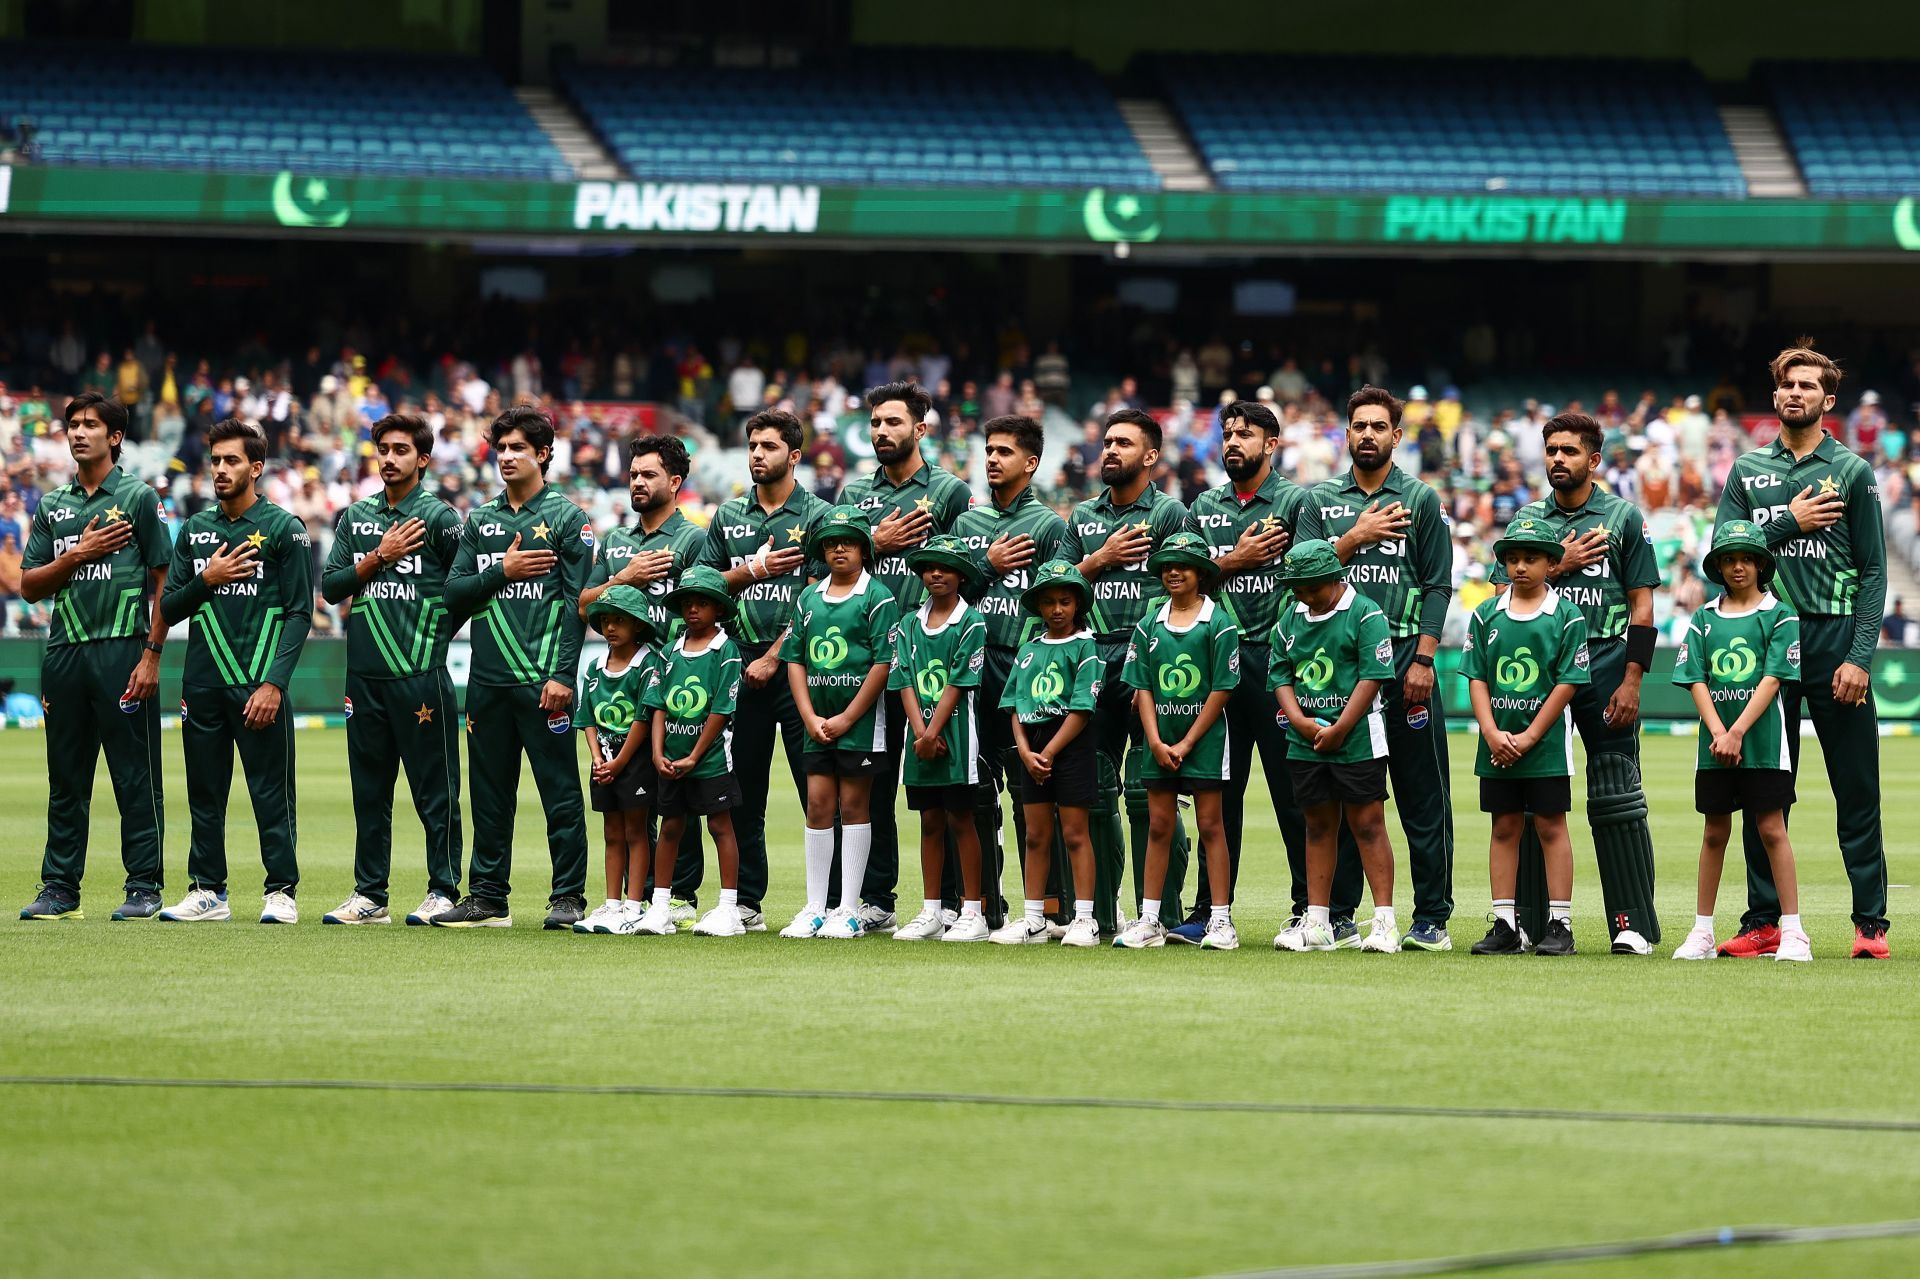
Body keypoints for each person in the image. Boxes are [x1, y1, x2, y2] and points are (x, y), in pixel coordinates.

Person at [1714, 339, 1889, 959]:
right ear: (1775, 394)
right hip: (1767, 638)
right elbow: (1720, 555)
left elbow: (1873, 571)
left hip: (1834, 638)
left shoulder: (1852, 472)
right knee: (1764, 789)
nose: (1796, 393)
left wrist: (1860, 655)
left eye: (1808, 386)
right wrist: (1787, 520)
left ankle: (1870, 925)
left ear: (1828, 400)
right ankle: (1764, 921)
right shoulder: (1746, 471)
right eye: (1788, 384)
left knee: (1856, 788)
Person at [1495, 413, 1663, 955]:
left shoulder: (1621, 517)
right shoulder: (1528, 518)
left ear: (1593, 460)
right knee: (1525, 798)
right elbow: (1504, 590)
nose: (1557, 459)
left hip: (1607, 663)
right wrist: (1559, 563)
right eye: (1551, 450)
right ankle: (1525, 923)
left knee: (1616, 793)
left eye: (1569, 451)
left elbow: (1642, 601)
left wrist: (1634, 679)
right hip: (1536, 675)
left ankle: (1630, 924)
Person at [437, 405, 594, 930]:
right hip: (487, 682)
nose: (505, 457)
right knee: (488, 793)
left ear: (543, 454)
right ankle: (487, 899)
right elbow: (453, 592)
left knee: (560, 791)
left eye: (517, 448)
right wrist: (501, 570)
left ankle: (568, 897)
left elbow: (579, 606)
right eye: (500, 448)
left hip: (543, 679)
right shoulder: (481, 520)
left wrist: (564, 676)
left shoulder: (569, 519)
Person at [17, 392, 171, 922]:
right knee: (66, 779)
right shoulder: (53, 504)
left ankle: (145, 886)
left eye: (90, 425)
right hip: (63, 654)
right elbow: (29, 586)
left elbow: (164, 580)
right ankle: (60, 890)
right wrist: (78, 553)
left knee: (135, 776)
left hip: (121, 650)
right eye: (73, 424)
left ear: (115, 437)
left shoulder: (137, 498)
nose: (78, 432)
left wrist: (151, 655)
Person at [1314, 386, 1456, 951]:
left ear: (1398, 435)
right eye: (1358, 426)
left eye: (1379, 426)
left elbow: (1438, 584)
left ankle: (1432, 918)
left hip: (1403, 660)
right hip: (1338, 666)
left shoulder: (1420, 499)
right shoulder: (1318, 500)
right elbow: (1304, 576)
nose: (1368, 434)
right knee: (1348, 795)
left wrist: (1424, 658)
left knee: (1422, 796)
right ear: (1346, 434)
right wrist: (1354, 537)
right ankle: (1342, 914)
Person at [156, 419, 312, 923]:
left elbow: (299, 612)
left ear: (256, 467)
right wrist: (208, 578)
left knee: (270, 792)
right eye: (216, 460)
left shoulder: (285, 529)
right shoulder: (195, 530)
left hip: (258, 683)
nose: (220, 470)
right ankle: (208, 892)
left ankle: (280, 892)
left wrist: (274, 683)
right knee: (204, 790)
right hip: (202, 682)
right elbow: (172, 606)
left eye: (231, 461)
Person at [1180, 399, 1319, 943]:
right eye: (1228, 433)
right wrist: (1234, 560)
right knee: (1217, 794)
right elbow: (1183, 579)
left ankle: (1311, 908)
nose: (1233, 442)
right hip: (1217, 661)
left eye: (1246, 434)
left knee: (1294, 794)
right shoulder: (1202, 507)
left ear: (1272, 444)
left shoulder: (1295, 502)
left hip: (1277, 660)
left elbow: (1311, 575)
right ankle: (1208, 911)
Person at [318, 414, 465, 927]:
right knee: (369, 792)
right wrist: (378, 557)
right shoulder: (355, 516)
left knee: (435, 790)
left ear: (422, 460)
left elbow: (464, 588)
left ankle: (444, 890)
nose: (388, 458)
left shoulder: (441, 519)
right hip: (364, 675)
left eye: (401, 449)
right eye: (382, 448)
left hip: (419, 673)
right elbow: (332, 586)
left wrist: (434, 634)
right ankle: (370, 895)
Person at [837, 380, 973, 928]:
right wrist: (877, 543)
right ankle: (877, 902)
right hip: (863, 662)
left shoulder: (950, 493)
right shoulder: (850, 498)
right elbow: (831, 569)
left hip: (930, 664)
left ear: (920, 428)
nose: (881, 432)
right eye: (875, 423)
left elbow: (967, 574)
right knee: (872, 786)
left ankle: (969, 903)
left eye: (893, 422)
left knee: (953, 786)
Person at [1061, 408, 1196, 933]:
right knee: (1093, 791)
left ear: (1151, 456)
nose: (1110, 450)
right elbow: (1057, 586)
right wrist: (1101, 557)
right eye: (1107, 442)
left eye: (1123, 443)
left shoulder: (1169, 516)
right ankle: (1100, 912)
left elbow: (1186, 587)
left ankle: (1159, 913)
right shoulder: (1082, 518)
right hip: (1094, 658)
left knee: (1150, 793)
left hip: (1151, 664)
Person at [698, 409, 832, 930]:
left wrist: (775, 656)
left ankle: (830, 903)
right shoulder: (729, 516)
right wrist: (749, 570)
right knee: (742, 792)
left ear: (794, 456)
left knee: (815, 791)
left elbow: (821, 596)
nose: (757, 453)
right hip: (738, 668)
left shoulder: (819, 516)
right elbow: (703, 585)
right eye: (752, 444)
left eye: (769, 446)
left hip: (800, 668)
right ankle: (747, 902)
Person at [581, 433, 710, 925]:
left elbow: (708, 603)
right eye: (634, 474)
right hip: (624, 683)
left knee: (678, 790)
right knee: (629, 801)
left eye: (649, 474)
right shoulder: (616, 543)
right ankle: (632, 899)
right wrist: (625, 578)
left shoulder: (694, 540)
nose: (637, 481)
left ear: (675, 482)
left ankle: (680, 895)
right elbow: (584, 604)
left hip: (678, 681)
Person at [1668, 522, 1809, 963]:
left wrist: (1737, 731)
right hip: (1715, 749)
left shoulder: (1780, 615)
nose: (1738, 566)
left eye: (1746, 558)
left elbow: (1773, 678)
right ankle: (1702, 931)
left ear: (1761, 564)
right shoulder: (1704, 617)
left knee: (1771, 828)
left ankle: (1794, 932)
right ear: (1718, 567)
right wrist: (1718, 733)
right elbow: (1695, 679)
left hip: (1764, 744)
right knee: (1714, 833)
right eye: (1729, 559)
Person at [952, 415, 1069, 929]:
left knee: (1031, 796)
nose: (993, 459)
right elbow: (948, 599)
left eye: (1004, 451)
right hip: (970, 672)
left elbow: (1058, 602)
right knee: (974, 793)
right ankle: (979, 906)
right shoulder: (965, 527)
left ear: (1031, 462)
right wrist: (987, 566)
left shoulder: (1047, 527)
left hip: (1021, 670)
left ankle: (1043, 908)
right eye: (989, 450)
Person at [1462, 519, 1590, 957]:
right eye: (1512, 559)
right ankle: (1504, 924)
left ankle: (1561, 923)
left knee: (1552, 827)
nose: (1520, 567)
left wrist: (1533, 734)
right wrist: (1492, 732)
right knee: (1504, 828)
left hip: (1547, 744)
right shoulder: (1485, 614)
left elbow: (1568, 682)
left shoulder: (1567, 616)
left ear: (1552, 563)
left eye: (1531, 558)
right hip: (1496, 745)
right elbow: (1476, 678)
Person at [1266, 540, 1399, 954]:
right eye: (1297, 589)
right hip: (1305, 742)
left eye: (1310, 588)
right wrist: (1302, 722)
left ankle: (1385, 923)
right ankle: (1319, 923)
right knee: (1318, 825)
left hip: (1357, 737)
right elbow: (1281, 675)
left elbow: (1373, 675)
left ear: (1333, 578)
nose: (1303, 596)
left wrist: (1341, 726)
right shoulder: (1290, 617)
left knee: (1367, 824)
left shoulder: (1366, 613)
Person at [774, 507, 899, 939]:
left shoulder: (878, 597)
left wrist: (847, 717)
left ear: (864, 548)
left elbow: (884, 663)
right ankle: (815, 906)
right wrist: (809, 716)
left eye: (847, 541)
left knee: (854, 808)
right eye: (830, 542)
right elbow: (794, 660)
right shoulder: (808, 598)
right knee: (818, 807)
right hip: (818, 725)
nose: (838, 549)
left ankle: (848, 909)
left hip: (860, 726)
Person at [1113, 532, 1241, 950]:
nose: (1172, 572)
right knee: (1159, 827)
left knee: (1210, 825)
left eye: (1182, 565)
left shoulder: (1219, 623)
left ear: (1201, 573)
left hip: (1203, 741)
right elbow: (1142, 686)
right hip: (1159, 740)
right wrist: (1153, 740)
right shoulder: (1149, 623)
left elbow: (1222, 688)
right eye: (1166, 565)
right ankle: (1149, 918)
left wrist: (1186, 743)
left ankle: (1220, 922)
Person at [991, 560, 1103, 948]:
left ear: (1077, 606)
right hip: (1032, 748)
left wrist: (1049, 752)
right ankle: (1035, 918)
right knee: (1035, 835)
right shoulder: (1027, 650)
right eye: (1050, 602)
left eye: (1065, 601)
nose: (1057, 609)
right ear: (1038, 606)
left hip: (1069, 745)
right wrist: (1025, 752)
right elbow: (1015, 706)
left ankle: (1084, 918)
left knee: (1075, 833)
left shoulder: (1087, 646)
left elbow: (1081, 709)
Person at [634, 566, 748, 936]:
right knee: (671, 828)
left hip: (710, 761)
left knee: (720, 826)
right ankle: (661, 907)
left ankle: (729, 908)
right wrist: (657, 754)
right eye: (687, 603)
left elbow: (720, 709)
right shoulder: (668, 651)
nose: (693, 610)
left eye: (703, 603)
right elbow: (658, 705)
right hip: (670, 761)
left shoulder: (726, 650)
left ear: (719, 608)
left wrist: (695, 756)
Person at [889, 534, 991, 942]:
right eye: (929, 567)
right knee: (929, 821)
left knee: (961, 820)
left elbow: (960, 681)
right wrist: (920, 732)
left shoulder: (971, 622)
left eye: (945, 567)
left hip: (957, 739)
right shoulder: (909, 623)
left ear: (962, 576)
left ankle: (973, 912)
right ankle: (932, 910)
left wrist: (933, 732)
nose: (935, 573)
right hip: (919, 740)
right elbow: (904, 679)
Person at [573, 585, 664, 935]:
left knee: (636, 832)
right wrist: (598, 759)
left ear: (638, 625)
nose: (611, 627)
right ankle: (611, 905)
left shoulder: (648, 663)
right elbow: (588, 718)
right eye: (606, 621)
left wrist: (620, 762)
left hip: (634, 763)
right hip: (606, 764)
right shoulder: (595, 666)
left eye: (620, 621)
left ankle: (634, 903)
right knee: (612, 832)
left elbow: (644, 718)